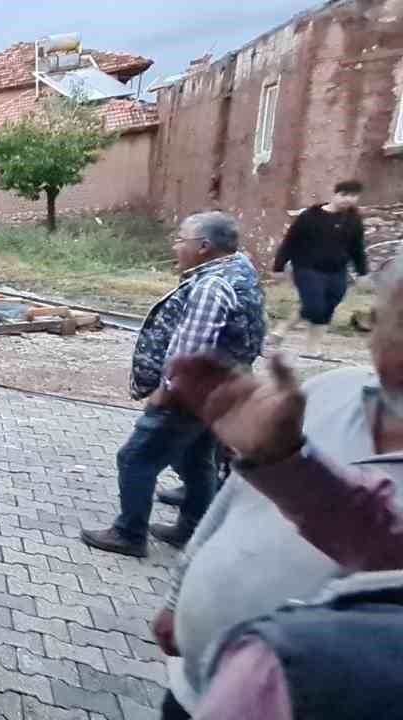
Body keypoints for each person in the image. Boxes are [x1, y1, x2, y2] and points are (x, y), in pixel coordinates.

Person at [146, 263, 403, 717]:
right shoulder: (330, 391)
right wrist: (177, 600)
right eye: (392, 318)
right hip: (193, 688)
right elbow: (230, 505)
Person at [80, 211, 266, 558]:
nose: (176, 245)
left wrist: (165, 393)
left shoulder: (212, 286)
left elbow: (189, 351)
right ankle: (192, 530)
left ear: (204, 247)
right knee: (198, 458)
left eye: (182, 239)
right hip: (223, 389)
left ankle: (129, 533)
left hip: (191, 394)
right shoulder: (241, 270)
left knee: (135, 457)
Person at [271, 180, 367, 355]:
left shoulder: (354, 220)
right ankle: (282, 329)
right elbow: (290, 241)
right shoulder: (310, 216)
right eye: (344, 195)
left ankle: (312, 349)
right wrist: (279, 266)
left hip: (337, 271)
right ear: (335, 194)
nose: (348, 200)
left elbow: (357, 248)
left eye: (353, 196)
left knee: (327, 308)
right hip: (307, 268)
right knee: (314, 305)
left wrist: (362, 273)